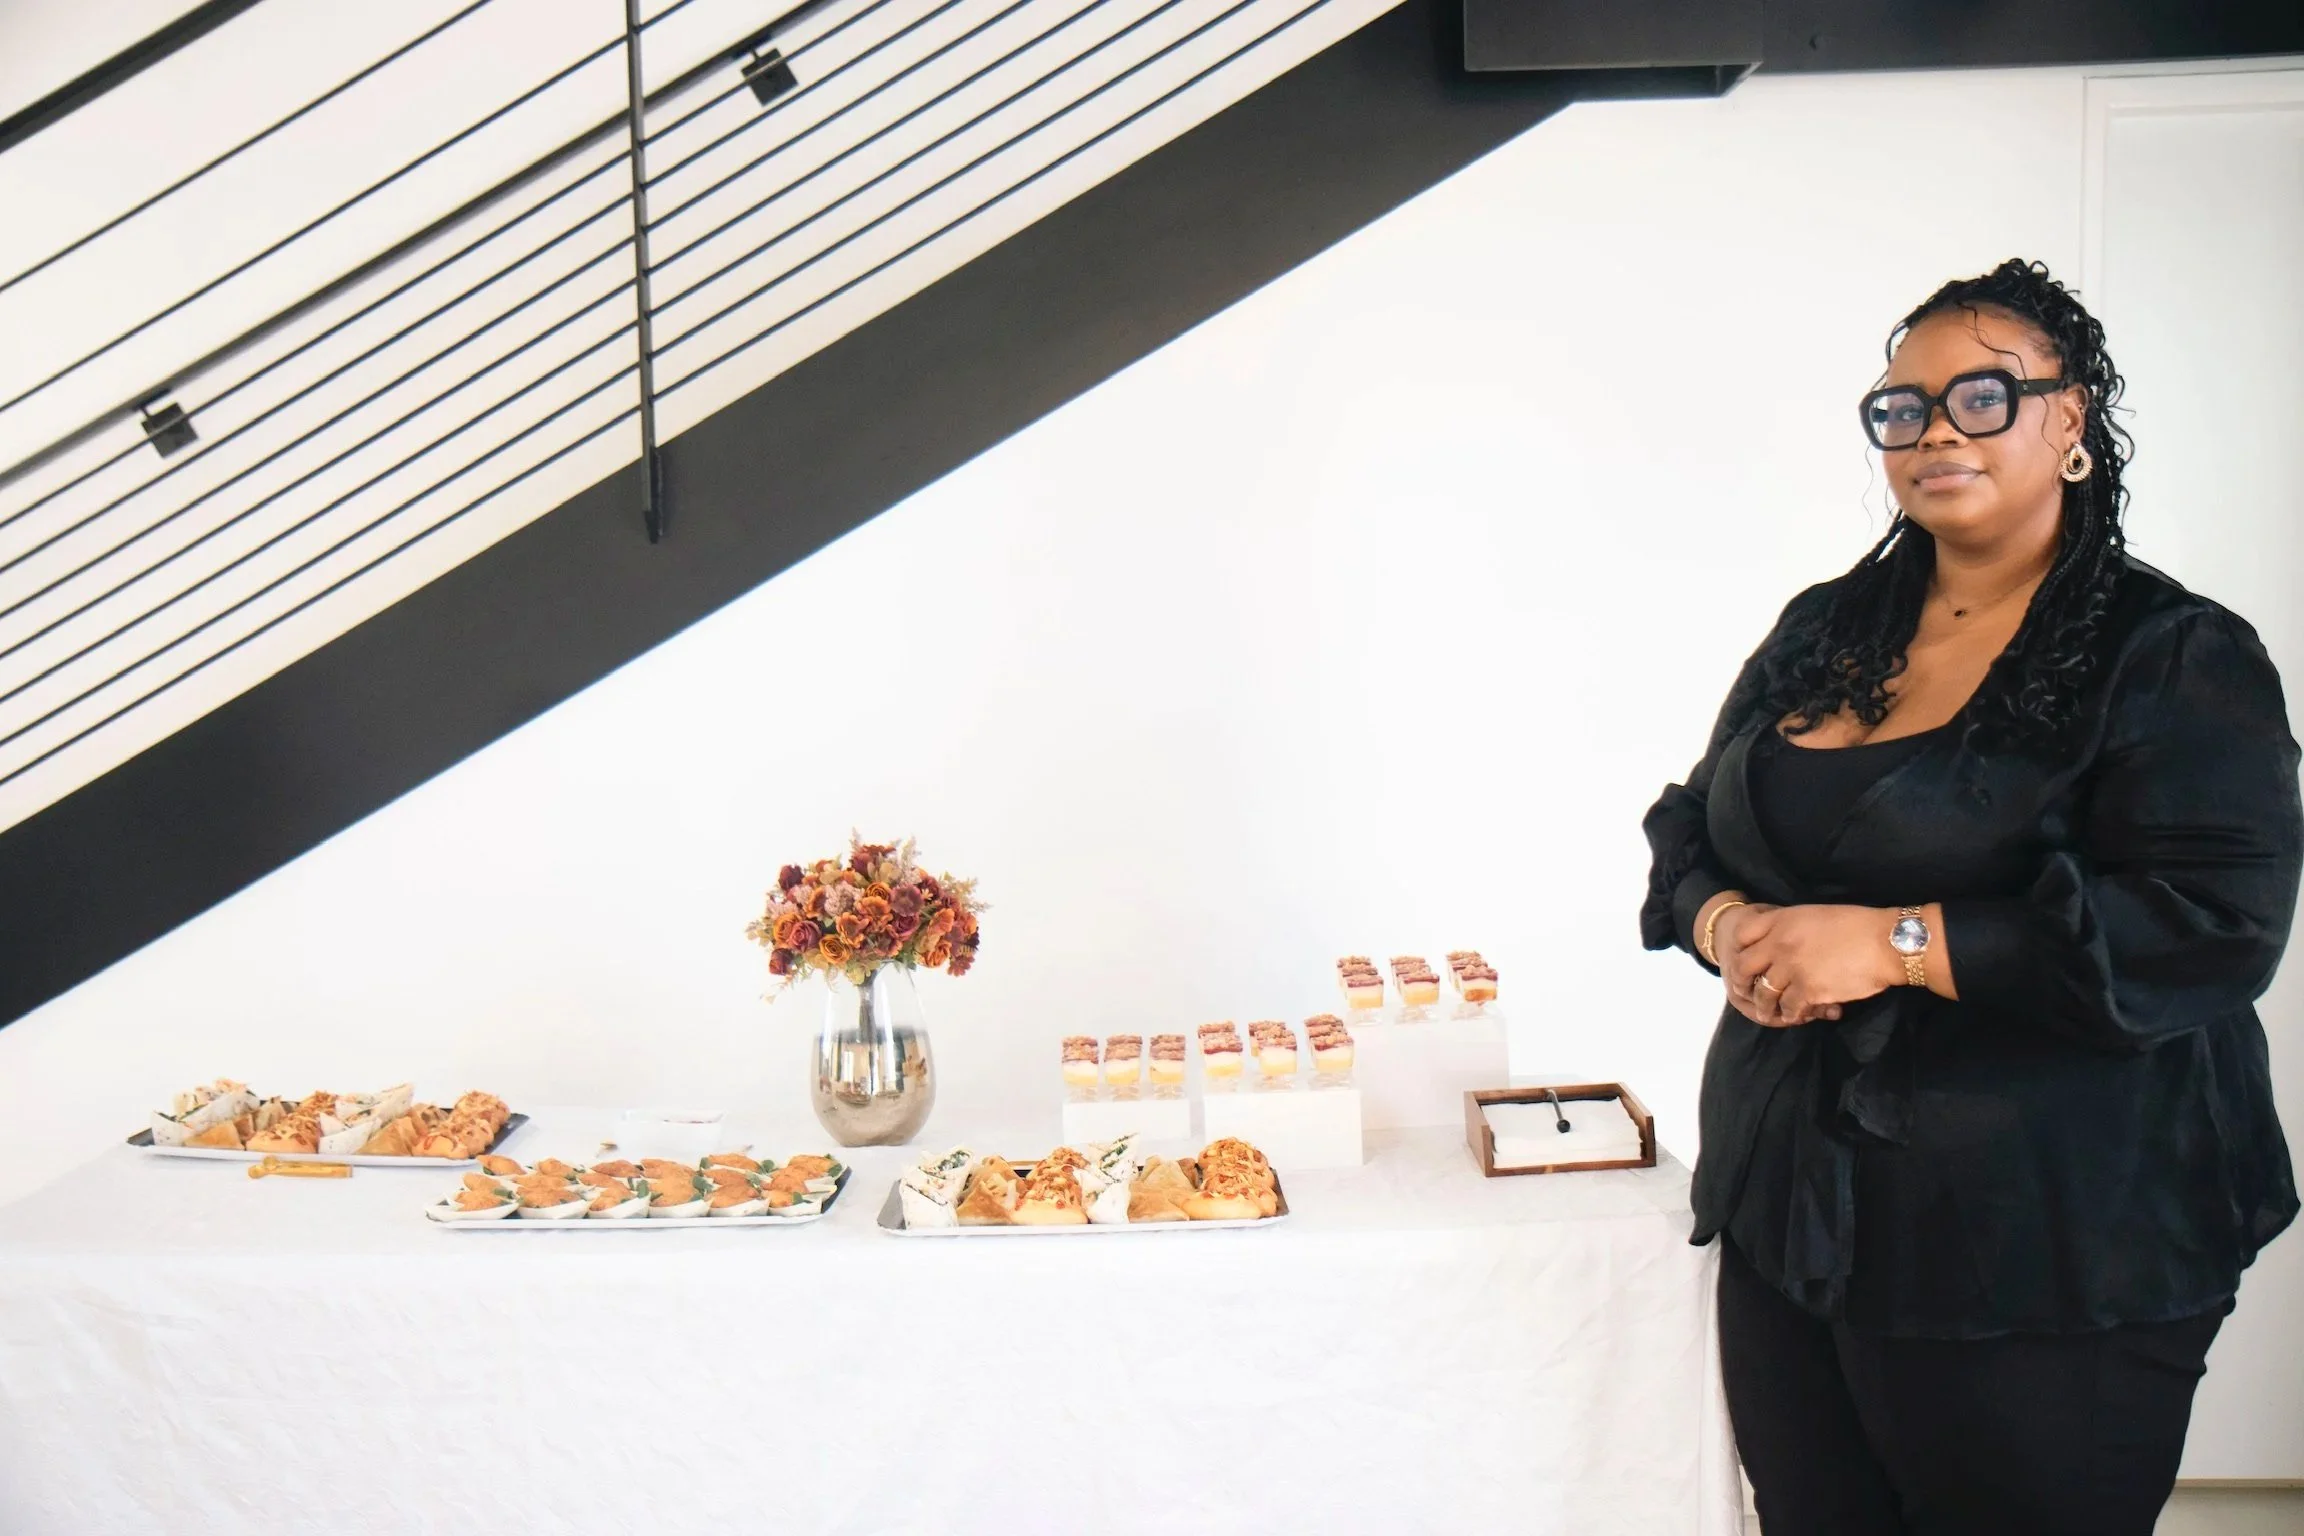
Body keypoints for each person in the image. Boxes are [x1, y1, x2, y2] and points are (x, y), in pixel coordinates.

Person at [1640, 258, 2302, 1536]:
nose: (1936, 428)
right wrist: (1729, 928)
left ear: (2072, 426)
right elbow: (1693, 827)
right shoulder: (1826, 626)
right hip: (1798, 1211)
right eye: (1903, 407)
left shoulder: (2170, 652)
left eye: (1984, 396)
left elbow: (2212, 927)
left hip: (2050, 1233)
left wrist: (1892, 945)